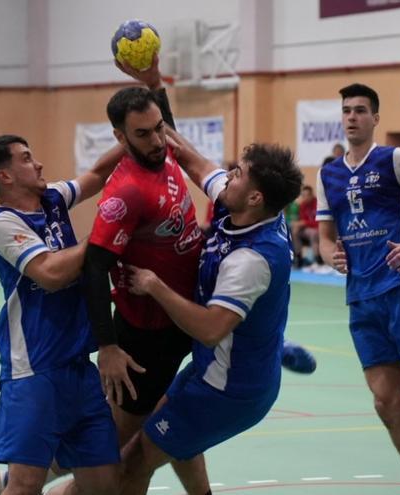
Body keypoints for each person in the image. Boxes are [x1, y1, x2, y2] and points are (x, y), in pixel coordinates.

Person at [118, 131, 303, 494]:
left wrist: (156, 287)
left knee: (136, 461)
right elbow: (193, 159)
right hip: (213, 369)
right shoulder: (246, 209)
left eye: (238, 173)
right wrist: (155, 90)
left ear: (255, 196)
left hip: (230, 390)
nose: (228, 175)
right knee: (179, 443)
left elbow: (210, 329)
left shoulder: (250, 260)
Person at [316, 83, 400, 495]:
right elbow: (325, 237)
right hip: (361, 296)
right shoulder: (329, 174)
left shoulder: (395, 159)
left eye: (361, 110)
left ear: (375, 118)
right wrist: (330, 256)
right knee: (385, 401)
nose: (352, 117)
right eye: (347, 110)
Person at [0, 134, 124, 495]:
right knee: (24, 487)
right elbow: (52, 274)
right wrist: (104, 235)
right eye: (26, 158)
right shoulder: (2, 223)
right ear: (5, 176)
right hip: (35, 372)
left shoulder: (52, 198)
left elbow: (98, 174)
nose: (37, 164)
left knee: (104, 488)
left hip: (81, 367)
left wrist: (133, 137)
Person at [82, 61, 212, 494]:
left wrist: (155, 84)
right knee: (115, 446)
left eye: (158, 128)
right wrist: (108, 347)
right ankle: (28, 479)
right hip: (146, 336)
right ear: (120, 138)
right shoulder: (127, 192)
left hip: (182, 318)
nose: (157, 140)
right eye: (143, 134)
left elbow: (168, 132)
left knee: (179, 423)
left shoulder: (163, 148)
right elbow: (94, 266)